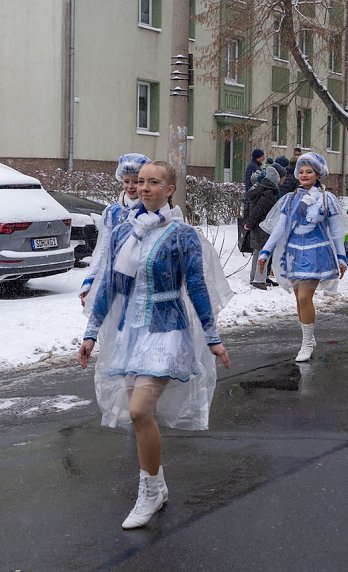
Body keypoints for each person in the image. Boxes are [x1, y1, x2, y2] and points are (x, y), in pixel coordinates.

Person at [77, 160, 232, 529]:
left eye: (153, 182)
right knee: (138, 413)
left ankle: (147, 492)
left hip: (167, 328)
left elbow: (196, 288)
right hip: (131, 331)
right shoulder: (122, 233)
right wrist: (91, 333)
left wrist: (212, 337)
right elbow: (111, 289)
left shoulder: (182, 235)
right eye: (141, 182)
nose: (144, 188)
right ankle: (157, 485)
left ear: (169, 189)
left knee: (139, 410)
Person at [258, 152, 348, 361]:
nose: (304, 175)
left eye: (309, 172)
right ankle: (308, 336)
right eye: (301, 171)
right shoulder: (290, 199)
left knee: (304, 297)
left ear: (318, 175)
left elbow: (336, 232)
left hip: (317, 253)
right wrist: (266, 251)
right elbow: (280, 228)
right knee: (299, 299)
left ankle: (307, 343)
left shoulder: (327, 199)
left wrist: (342, 257)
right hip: (294, 254)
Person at [79, 153, 151, 303]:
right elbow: (102, 249)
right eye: (126, 181)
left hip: (144, 283)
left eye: (136, 181)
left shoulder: (153, 210)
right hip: (115, 280)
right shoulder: (113, 212)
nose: (130, 186)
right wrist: (91, 280)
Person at [244, 165, 281, 289]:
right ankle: (259, 280)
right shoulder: (268, 194)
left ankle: (255, 277)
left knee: (257, 253)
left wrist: (250, 223)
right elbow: (258, 211)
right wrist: (250, 223)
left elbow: (254, 210)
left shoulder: (260, 189)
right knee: (263, 253)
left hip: (257, 227)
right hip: (262, 228)